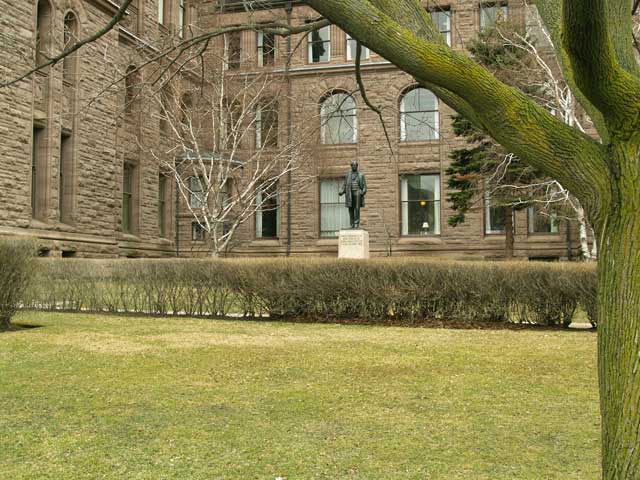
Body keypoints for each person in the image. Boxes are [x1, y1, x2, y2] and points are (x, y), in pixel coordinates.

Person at [338, 160, 367, 229]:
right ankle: (352, 224)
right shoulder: (348, 175)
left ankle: (356, 223)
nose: (354, 166)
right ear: (351, 166)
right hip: (350, 193)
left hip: (357, 192)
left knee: (357, 208)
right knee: (350, 209)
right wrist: (341, 191)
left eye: (355, 165)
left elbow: (364, 186)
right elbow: (345, 185)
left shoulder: (361, 175)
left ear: (357, 166)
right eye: (353, 165)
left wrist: (362, 192)